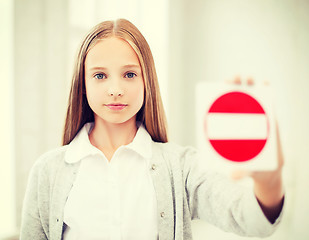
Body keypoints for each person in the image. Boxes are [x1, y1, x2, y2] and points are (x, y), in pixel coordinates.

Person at [20, 19, 284, 240]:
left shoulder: (181, 167)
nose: (115, 89)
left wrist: (269, 182)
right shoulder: (48, 171)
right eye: (100, 75)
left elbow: (251, 220)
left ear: (148, 81)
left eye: (130, 74)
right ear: (83, 84)